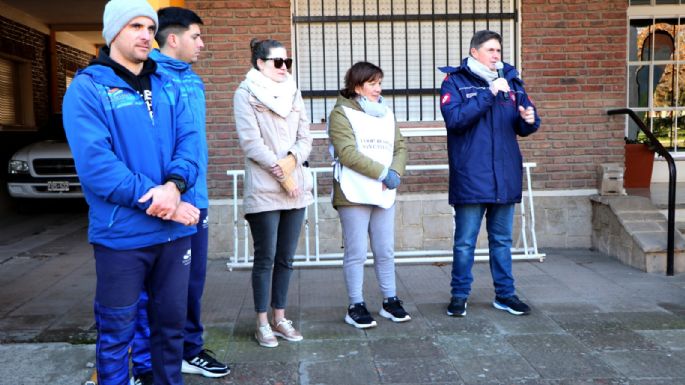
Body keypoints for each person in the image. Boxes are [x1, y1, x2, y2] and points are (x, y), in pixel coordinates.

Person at [62, 0, 202, 384]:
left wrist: (174, 187)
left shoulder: (168, 84)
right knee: (116, 334)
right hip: (122, 236)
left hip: (175, 235)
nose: (145, 34)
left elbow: (189, 143)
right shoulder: (89, 88)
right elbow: (97, 167)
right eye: (134, 27)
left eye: (148, 26)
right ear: (113, 34)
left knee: (170, 330)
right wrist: (163, 200)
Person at [128, 7, 229, 384]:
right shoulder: (147, 78)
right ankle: (142, 364)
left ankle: (188, 349)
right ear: (174, 38)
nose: (202, 43)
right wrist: (170, 193)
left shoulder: (194, 81)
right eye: (196, 36)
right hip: (166, 200)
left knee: (191, 283)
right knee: (148, 291)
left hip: (196, 198)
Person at [438, 30, 540, 318]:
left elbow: (523, 122)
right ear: (474, 52)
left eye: (499, 50)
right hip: (471, 175)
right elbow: (455, 120)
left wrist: (530, 120)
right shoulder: (454, 82)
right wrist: (488, 94)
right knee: (465, 242)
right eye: (491, 50)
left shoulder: (513, 82)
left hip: (505, 176)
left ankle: (505, 295)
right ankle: (459, 295)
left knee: (502, 241)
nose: (497, 55)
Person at [233, 38, 313, 348]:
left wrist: (292, 163)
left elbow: (305, 137)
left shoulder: (294, 93)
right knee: (265, 258)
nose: (283, 67)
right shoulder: (245, 94)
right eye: (277, 62)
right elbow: (252, 144)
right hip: (266, 189)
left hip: (296, 187)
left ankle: (280, 317)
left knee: (287, 258)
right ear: (260, 63)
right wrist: (284, 177)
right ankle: (261, 322)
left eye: (286, 62)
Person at [327, 61, 409, 329]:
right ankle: (356, 305)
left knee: (385, 249)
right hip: (353, 191)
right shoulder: (341, 113)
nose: (378, 88)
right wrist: (383, 173)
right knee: (357, 251)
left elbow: (400, 146)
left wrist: (395, 172)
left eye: (380, 82)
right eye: (373, 83)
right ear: (357, 86)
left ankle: (390, 300)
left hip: (384, 190)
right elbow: (347, 153)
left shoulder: (386, 113)